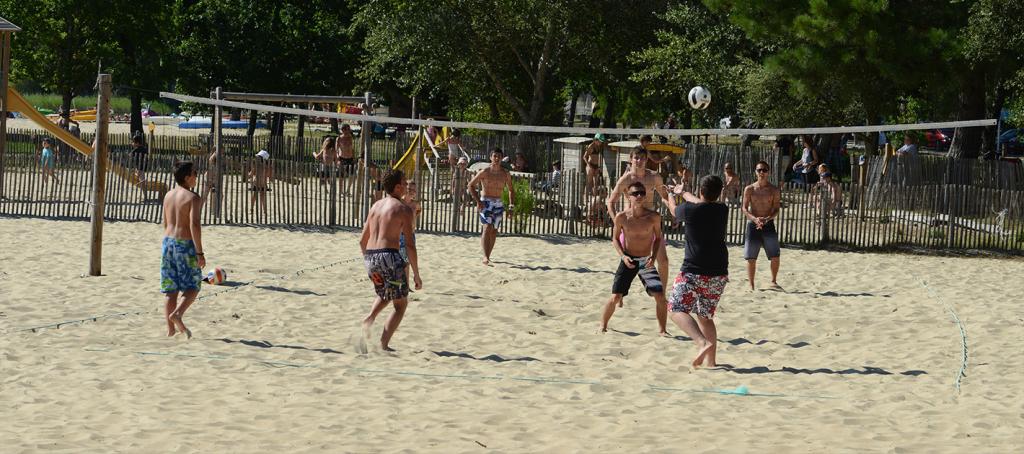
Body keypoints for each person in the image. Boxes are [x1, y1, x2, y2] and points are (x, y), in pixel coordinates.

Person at [607, 146, 673, 335]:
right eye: (636, 158)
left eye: (642, 158)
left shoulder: (654, 177)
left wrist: (673, 208)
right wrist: (617, 222)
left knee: (664, 261)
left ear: (647, 160)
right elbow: (610, 201)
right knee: (626, 263)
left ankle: (662, 293)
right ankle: (619, 296)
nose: (639, 161)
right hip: (629, 226)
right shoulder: (626, 179)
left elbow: (665, 196)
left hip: (650, 223)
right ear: (631, 159)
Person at [667, 175, 728, 368]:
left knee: (675, 309)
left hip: (693, 270)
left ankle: (701, 342)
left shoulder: (689, 210)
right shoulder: (721, 209)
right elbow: (699, 201)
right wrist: (682, 192)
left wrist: (670, 195)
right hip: (718, 272)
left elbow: (674, 211)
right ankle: (712, 362)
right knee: (705, 316)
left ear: (701, 190)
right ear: (719, 193)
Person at [360, 169, 422, 351]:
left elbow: (362, 240)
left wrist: (370, 261)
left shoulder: (375, 206)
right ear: (397, 186)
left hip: (371, 257)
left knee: (387, 293)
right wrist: (416, 275)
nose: (407, 186)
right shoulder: (403, 209)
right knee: (400, 304)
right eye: (404, 182)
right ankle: (383, 344)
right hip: (389, 255)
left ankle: (369, 318)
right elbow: (410, 245)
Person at [161, 161, 206, 339]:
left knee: (170, 289)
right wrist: (199, 252)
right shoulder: (193, 197)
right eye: (195, 173)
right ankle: (177, 314)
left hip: (167, 243)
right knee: (193, 286)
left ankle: (171, 331)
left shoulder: (168, 195)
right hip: (185, 244)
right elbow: (194, 224)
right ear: (187, 177)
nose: (197, 175)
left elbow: (165, 222)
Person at [468, 147, 515, 265]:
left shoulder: (505, 174)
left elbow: (511, 190)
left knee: (494, 230)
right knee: (487, 227)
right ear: (491, 157)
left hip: (498, 203)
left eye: (499, 156)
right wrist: (478, 201)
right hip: (486, 202)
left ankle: (488, 256)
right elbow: (470, 185)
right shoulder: (485, 172)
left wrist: (511, 206)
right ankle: (485, 256)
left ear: (502, 158)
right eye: (495, 156)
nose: (497, 158)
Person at [740, 161, 782, 291]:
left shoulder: (774, 190)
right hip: (753, 224)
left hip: (768, 224)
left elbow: (776, 209)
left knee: (775, 255)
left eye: (764, 170)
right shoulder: (750, 189)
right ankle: (751, 284)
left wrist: (767, 219)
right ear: (755, 172)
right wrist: (754, 219)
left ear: (768, 172)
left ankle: (773, 281)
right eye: (759, 170)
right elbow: (744, 208)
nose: (761, 173)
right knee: (751, 257)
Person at [248, 150, 273, 218]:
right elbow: (251, 174)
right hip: (257, 183)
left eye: (258, 157)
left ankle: (264, 211)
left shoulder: (266, 167)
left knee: (261, 198)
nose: (257, 159)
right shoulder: (258, 166)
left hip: (262, 184)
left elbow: (270, 176)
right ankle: (252, 209)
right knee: (255, 197)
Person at [338, 125, 357, 194]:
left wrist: (354, 157)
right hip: (342, 158)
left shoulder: (350, 138)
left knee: (352, 176)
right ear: (343, 130)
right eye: (347, 129)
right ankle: (340, 191)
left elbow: (352, 148)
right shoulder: (339, 138)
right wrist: (337, 157)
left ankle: (348, 190)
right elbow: (336, 149)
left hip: (350, 158)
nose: (348, 131)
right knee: (342, 176)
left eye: (349, 129)